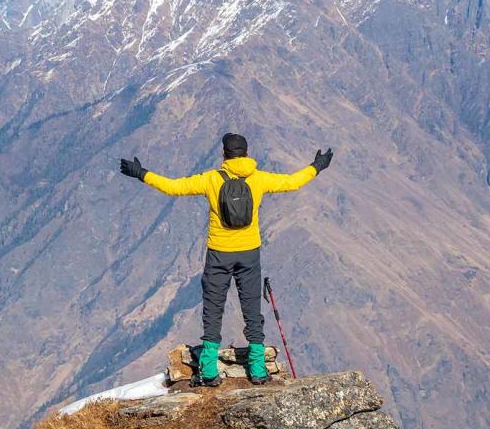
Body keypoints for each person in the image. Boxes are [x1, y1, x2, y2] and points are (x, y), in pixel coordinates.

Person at [119, 133, 332, 386]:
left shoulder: (211, 179)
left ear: (224, 154)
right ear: (246, 153)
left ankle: (209, 372)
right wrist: (317, 166)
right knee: (252, 309)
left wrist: (141, 173)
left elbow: (173, 187)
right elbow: (293, 182)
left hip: (219, 253)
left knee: (213, 309)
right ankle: (258, 369)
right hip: (250, 252)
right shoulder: (259, 179)